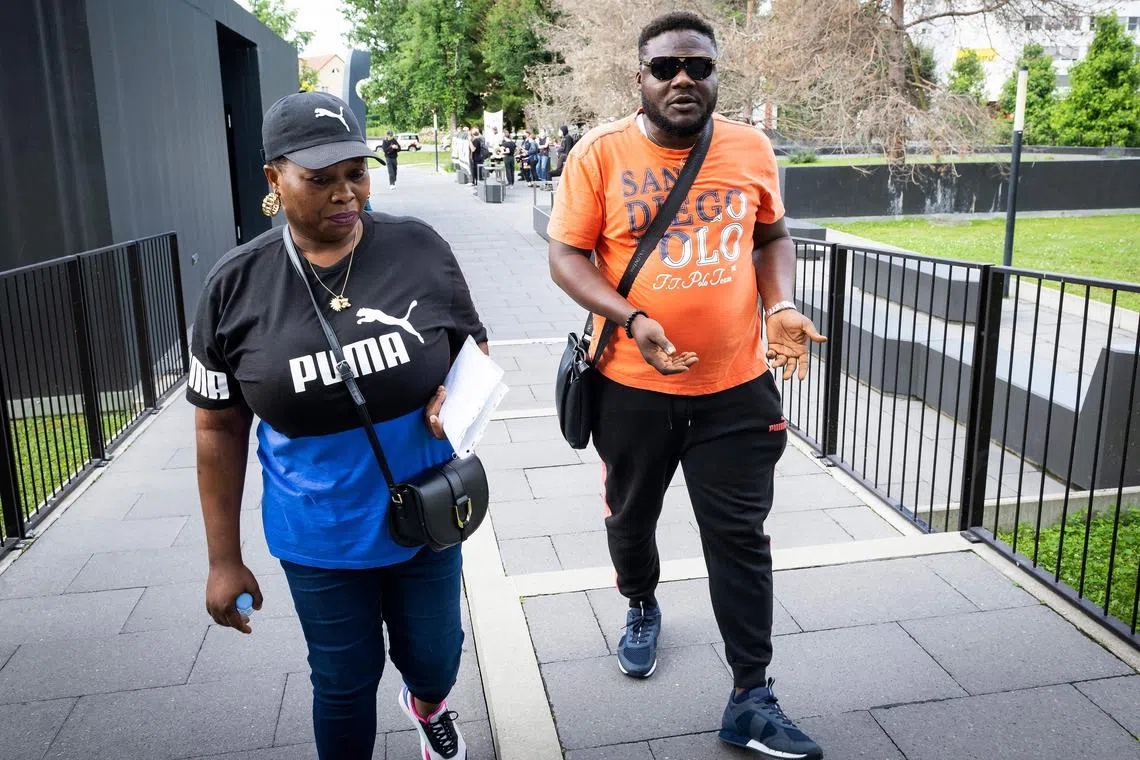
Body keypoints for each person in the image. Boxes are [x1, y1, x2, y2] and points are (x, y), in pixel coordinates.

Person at [546, 12, 826, 760]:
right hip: (630, 388)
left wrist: (784, 305)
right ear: (638, 78)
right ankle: (641, 603)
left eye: (697, 67)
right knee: (631, 521)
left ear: (714, 77)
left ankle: (752, 695)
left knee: (740, 538)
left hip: (736, 388)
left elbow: (770, 234)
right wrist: (631, 315)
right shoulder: (599, 154)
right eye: (665, 67)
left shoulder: (749, 148)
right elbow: (567, 258)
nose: (681, 79)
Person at [192, 91, 486, 760]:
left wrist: (456, 401)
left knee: (436, 656)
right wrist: (222, 559)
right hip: (317, 531)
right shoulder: (234, 287)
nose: (344, 193)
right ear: (274, 179)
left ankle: (428, 706)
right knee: (344, 681)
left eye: (355, 171)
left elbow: (474, 347)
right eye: (319, 179)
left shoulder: (418, 247)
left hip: (426, 516)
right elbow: (217, 430)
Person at [469, 128, 486, 192]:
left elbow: (473, 149)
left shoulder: (476, 140)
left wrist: (470, 142)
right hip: (477, 157)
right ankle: (475, 182)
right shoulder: (478, 139)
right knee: (476, 171)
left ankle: (477, 184)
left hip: (477, 158)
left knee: (477, 171)